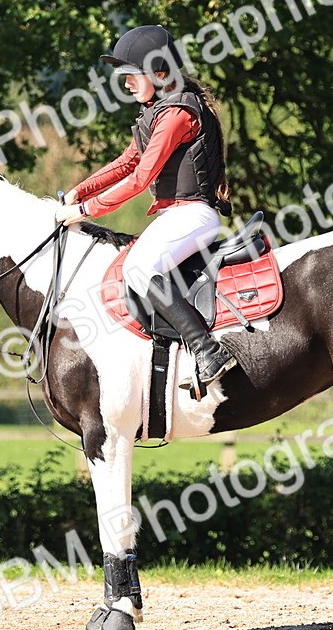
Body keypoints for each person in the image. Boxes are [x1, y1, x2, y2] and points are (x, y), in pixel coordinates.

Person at [54, 24, 237, 389]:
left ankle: (207, 351)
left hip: (194, 215)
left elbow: (140, 178)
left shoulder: (178, 114)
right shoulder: (159, 111)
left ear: (159, 73)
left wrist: (86, 211)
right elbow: (126, 162)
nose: (125, 84)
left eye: (131, 75)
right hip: (177, 216)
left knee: (138, 269)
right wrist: (80, 190)